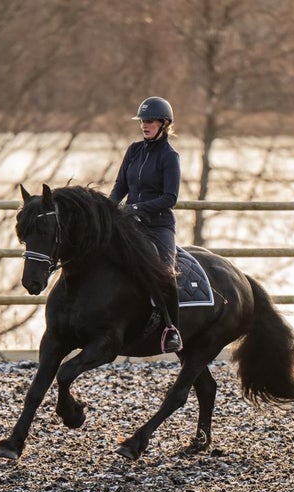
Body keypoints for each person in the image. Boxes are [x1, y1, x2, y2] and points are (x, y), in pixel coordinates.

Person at [109, 96, 183, 353]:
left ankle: (171, 328)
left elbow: (170, 198)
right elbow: (120, 186)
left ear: (164, 124)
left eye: (149, 121)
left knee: (165, 274)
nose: (144, 125)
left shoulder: (170, 157)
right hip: (130, 223)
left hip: (159, 226)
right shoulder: (133, 151)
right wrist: (108, 209)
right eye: (142, 121)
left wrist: (136, 208)